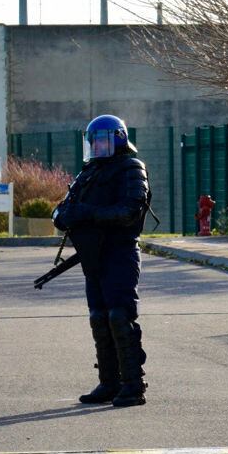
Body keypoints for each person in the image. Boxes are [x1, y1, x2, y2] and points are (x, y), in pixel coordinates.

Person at [53, 114, 151, 407]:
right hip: (93, 254)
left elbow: (130, 210)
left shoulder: (132, 168)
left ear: (118, 139)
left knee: (120, 316)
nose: (98, 146)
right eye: (94, 141)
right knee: (98, 317)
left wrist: (88, 214)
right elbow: (62, 210)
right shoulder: (89, 172)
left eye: (103, 140)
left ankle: (133, 386)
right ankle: (108, 383)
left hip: (120, 251)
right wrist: (66, 216)